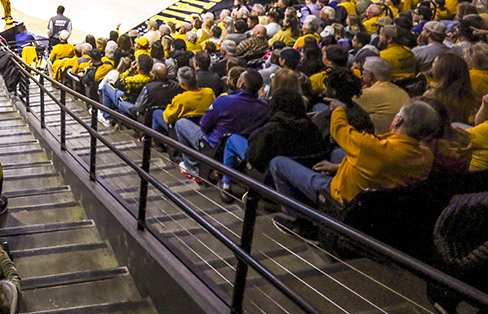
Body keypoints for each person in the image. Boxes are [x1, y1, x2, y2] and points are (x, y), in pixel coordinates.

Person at [269, 100, 439, 237]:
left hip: (342, 200)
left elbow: (339, 129)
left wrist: (339, 110)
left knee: (278, 163)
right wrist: (338, 166)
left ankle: (299, 223)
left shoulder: (372, 148)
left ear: (398, 120)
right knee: (337, 153)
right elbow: (375, 164)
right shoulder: (426, 154)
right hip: (378, 199)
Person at [173, 69, 269, 181]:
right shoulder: (265, 107)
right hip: (240, 146)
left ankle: (192, 167)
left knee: (181, 123)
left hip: (214, 145)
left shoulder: (224, 100)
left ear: (240, 83)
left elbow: (204, 125)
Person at [354, 56, 410, 134]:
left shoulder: (367, 94)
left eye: (363, 71)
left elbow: (343, 104)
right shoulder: (403, 93)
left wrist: (357, 86)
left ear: (370, 75)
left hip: (378, 141)